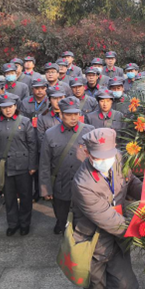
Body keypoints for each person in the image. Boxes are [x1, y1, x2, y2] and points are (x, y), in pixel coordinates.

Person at [71, 128, 142, 289]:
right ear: (87, 153)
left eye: (108, 155)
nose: (105, 161)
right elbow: (108, 218)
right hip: (94, 242)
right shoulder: (83, 184)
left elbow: (130, 181)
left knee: (127, 287)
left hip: (117, 239)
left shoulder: (118, 158)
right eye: (98, 157)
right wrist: (141, 231)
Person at [39, 97, 95, 234]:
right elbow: (44, 163)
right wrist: (45, 189)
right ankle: (62, 226)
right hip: (60, 182)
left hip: (83, 183)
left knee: (82, 217)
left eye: (76, 114)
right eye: (69, 114)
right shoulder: (50, 134)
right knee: (61, 213)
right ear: (61, 114)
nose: (73, 118)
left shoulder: (89, 131)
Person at [0, 94, 37, 236]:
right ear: (0, 108)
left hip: (23, 166)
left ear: (15, 106)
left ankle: (25, 223)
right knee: (9, 198)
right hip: (4, 167)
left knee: (26, 197)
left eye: (10, 106)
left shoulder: (25, 121)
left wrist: (32, 165)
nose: (8, 110)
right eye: (4, 107)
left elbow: (32, 145)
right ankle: (13, 223)